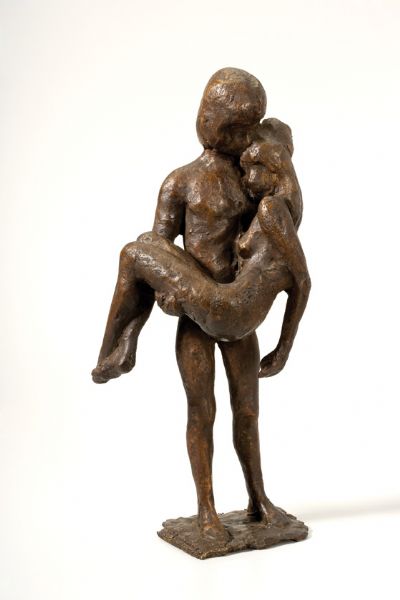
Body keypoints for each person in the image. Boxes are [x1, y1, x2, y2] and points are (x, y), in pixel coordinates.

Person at [92, 68, 310, 538]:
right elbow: (162, 246)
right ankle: (206, 509)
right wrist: (166, 299)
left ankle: (258, 498)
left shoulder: (251, 176)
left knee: (247, 411)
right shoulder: (181, 182)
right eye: (237, 126)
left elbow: (266, 247)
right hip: (194, 315)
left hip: (235, 309)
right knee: (201, 411)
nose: (242, 136)